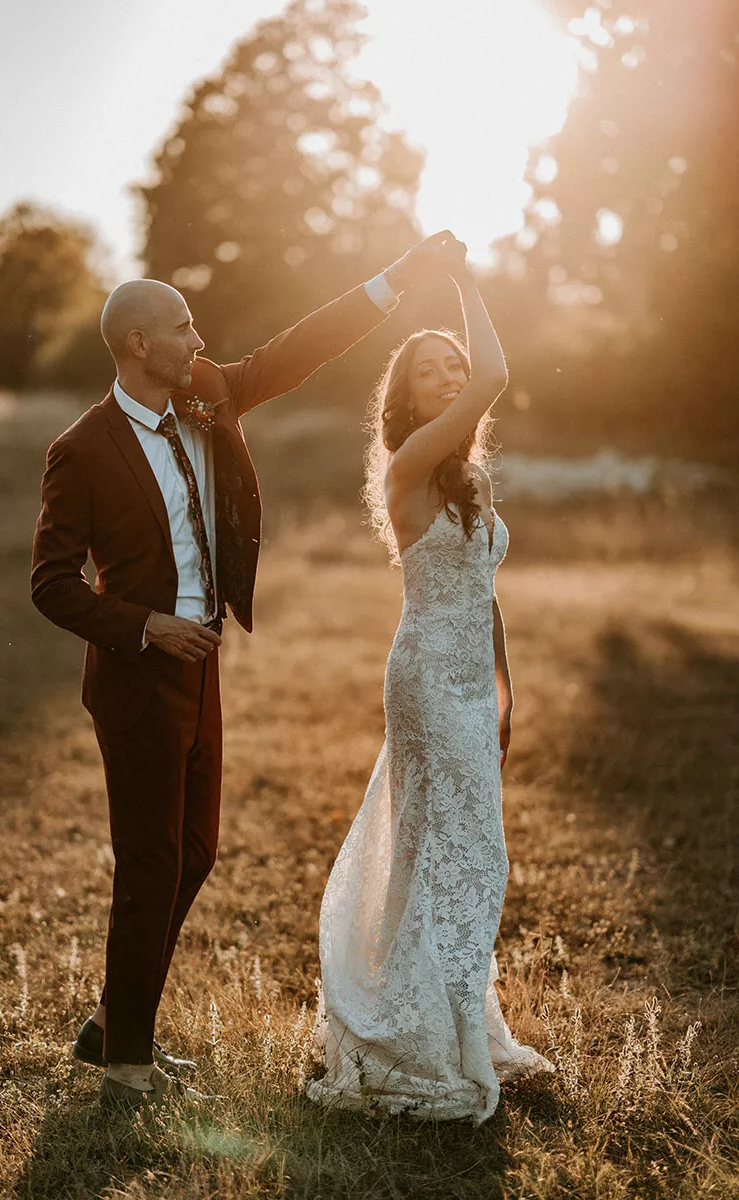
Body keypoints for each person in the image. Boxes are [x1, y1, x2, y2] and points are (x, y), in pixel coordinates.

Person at [30, 232, 465, 1110]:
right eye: (183, 327)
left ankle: (116, 1021)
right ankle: (126, 1067)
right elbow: (49, 584)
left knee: (196, 853)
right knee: (151, 861)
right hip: (138, 677)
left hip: (204, 669)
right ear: (138, 346)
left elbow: (302, 347)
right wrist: (145, 626)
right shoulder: (82, 449)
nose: (200, 339)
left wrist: (399, 275)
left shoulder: (208, 394)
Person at [307, 254, 554, 1122]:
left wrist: (505, 688)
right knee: (469, 853)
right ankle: (411, 1033)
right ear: (408, 399)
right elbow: (498, 371)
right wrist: (466, 282)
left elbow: (484, 594)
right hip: (420, 681)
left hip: (467, 678)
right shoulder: (408, 466)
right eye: (432, 369)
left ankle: (455, 1018)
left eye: (455, 362)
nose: (454, 374)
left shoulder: (470, 480)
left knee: (448, 851)